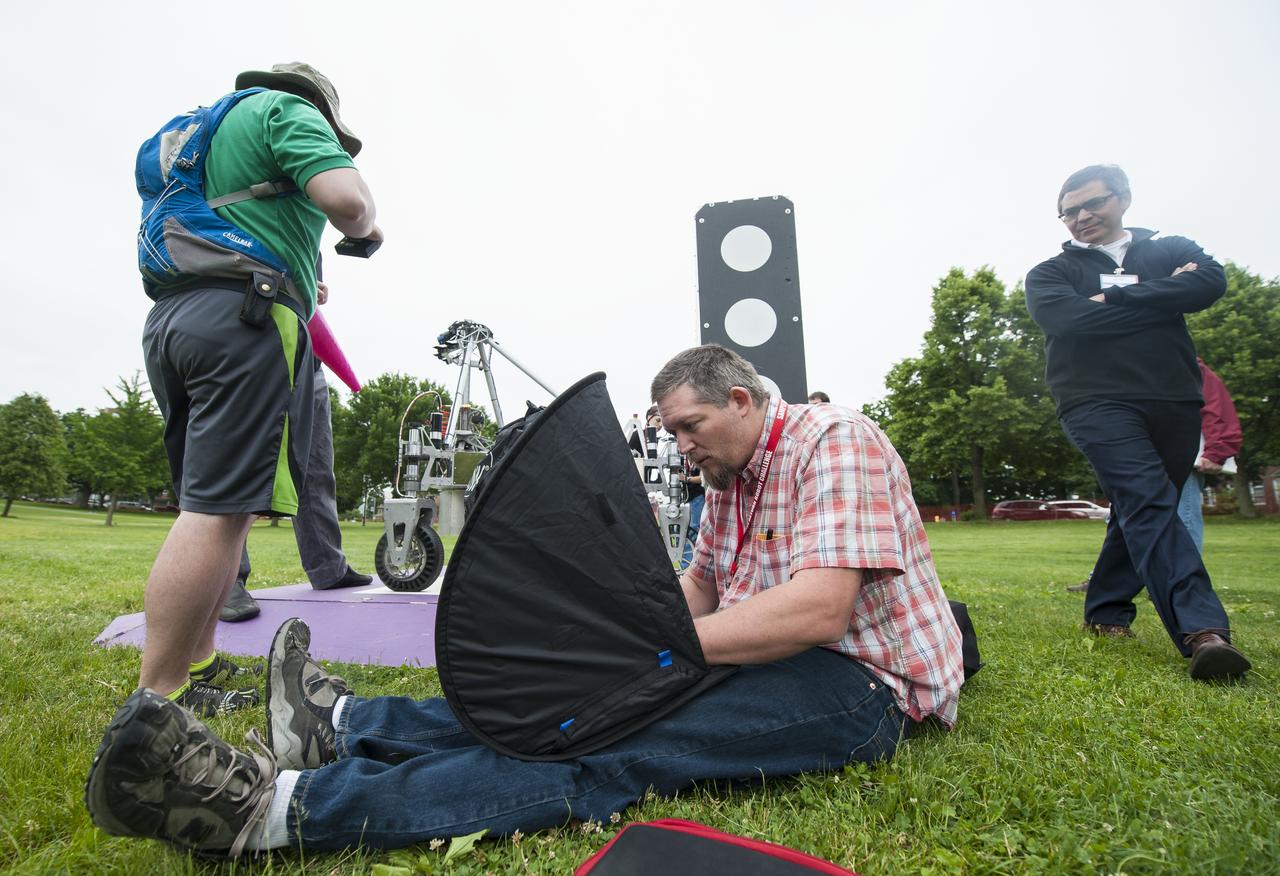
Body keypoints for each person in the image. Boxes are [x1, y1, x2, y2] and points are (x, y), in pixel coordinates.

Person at [84, 344, 965, 857]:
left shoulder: (836, 442)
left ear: (742, 399)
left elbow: (818, 613)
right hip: (775, 651)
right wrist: (620, 647)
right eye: (671, 436)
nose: (682, 450)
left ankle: (278, 812)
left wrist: (651, 659)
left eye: (690, 429)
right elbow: (697, 588)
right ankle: (346, 723)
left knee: (618, 746)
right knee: (584, 703)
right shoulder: (730, 470)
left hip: (862, 686)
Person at [133, 62, 382, 717]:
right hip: (245, 321)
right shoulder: (285, 112)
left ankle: (199, 664)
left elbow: (246, 216)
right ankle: (158, 695)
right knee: (217, 511)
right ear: (320, 113)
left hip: (176, 321)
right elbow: (347, 201)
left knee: (215, 503)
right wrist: (367, 228)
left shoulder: (206, 131)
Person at [1025, 164, 1248, 680]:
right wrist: (1166, 296)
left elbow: (1210, 282)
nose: (1082, 217)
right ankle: (1203, 631)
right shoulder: (1051, 274)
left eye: (1092, 204)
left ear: (1122, 198)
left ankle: (1105, 609)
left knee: (1138, 509)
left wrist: (1119, 297)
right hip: (1093, 401)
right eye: (1070, 211)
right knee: (1148, 499)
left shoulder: (1169, 249)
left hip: (1172, 399)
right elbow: (1068, 320)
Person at [222, 289, 374, 624]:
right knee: (241, 467)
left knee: (317, 470)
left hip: (308, 361)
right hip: (254, 351)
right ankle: (227, 581)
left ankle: (328, 568)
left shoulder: (310, 240)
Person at [1176, 358, 1241, 554]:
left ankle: (1186, 580)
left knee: (1182, 516)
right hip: (1140, 453)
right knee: (1123, 516)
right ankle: (1110, 579)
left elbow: (1215, 405)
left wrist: (1217, 450)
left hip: (1182, 453)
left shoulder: (1187, 364)